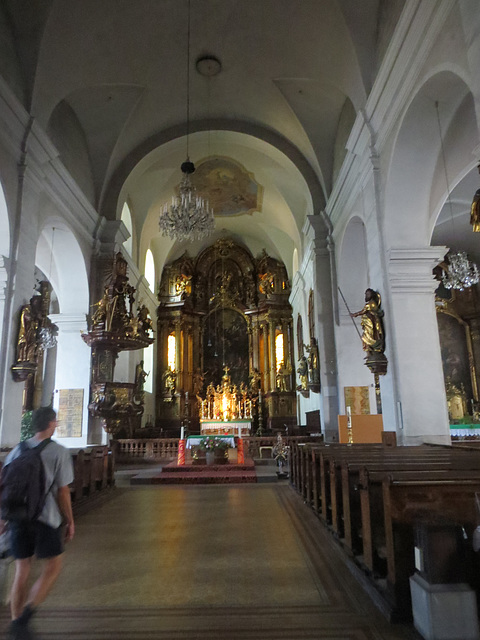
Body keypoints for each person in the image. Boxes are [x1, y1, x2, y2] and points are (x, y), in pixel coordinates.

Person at [1, 407, 74, 640]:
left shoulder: (15, 451)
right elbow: (63, 492)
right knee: (53, 567)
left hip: (18, 518)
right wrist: (70, 521)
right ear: (51, 423)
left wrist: (3, 518)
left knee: (22, 569)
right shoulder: (59, 452)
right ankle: (24, 618)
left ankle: (15, 622)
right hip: (45, 519)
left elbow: (6, 487)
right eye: (55, 422)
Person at [351, 288, 385, 355]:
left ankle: (372, 349)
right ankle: (369, 351)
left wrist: (355, 314)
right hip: (369, 323)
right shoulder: (371, 304)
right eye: (366, 294)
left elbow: (363, 311)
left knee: (367, 337)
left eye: (367, 294)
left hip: (371, 324)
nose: (366, 296)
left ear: (371, 295)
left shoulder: (370, 304)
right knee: (365, 337)